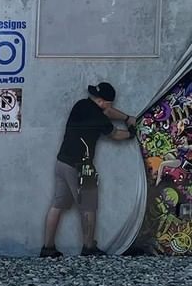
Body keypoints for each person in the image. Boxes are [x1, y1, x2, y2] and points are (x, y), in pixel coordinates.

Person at [40, 81, 136, 258]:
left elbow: (107, 111)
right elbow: (115, 134)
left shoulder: (82, 104)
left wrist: (126, 118)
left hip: (62, 162)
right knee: (89, 207)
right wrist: (131, 132)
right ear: (103, 101)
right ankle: (89, 247)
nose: (110, 107)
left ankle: (47, 248)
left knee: (57, 205)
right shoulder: (98, 118)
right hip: (80, 167)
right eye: (109, 103)